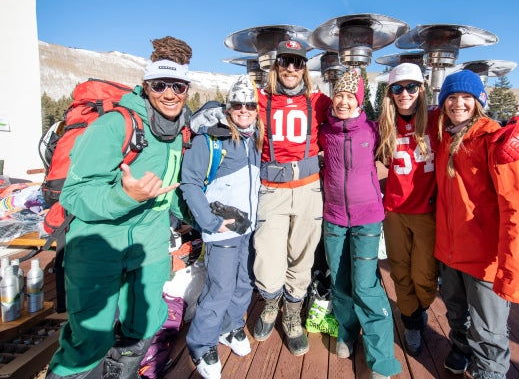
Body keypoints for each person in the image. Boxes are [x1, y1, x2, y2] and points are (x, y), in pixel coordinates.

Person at [46, 36, 193, 379]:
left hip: (150, 246)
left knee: (142, 326)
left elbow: (167, 193)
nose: (169, 94)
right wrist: (124, 198)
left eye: (178, 86)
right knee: (89, 340)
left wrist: (209, 214)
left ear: (187, 88)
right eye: (160, 85)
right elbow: (75, 193)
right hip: (100, 245)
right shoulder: (116, 124)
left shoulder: (176, 132)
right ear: (146, 86)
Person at [434, 70, 519, 379]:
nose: (458, 103)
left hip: (484, 256)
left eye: (467, 97)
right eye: (451, 97)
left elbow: (517, 207)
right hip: (449, 251)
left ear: (479, 101)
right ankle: (461, 350)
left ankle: (489, 373)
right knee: (456, 313)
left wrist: (513, 268)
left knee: (488, 330)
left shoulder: (495, 139)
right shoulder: (445, 136)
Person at [320, 69, 402, 379]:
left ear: (359, 101)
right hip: (334, 217)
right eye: (338, 95)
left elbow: (405, 139)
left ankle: (382, 359)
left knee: (366, 286)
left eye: (349, 96)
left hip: (367, 218)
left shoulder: (372, 130)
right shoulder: (324, 132)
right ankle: (347, 331)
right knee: (340, 282)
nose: (343, 101)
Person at [180, 75, 262, 379]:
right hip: (222, 230)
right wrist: (210, 221)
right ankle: (201, 343)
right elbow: (189, 182)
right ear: (229, 107)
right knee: (220, 288)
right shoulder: (211, 139)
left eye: (249, 104)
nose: (244, 109)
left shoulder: (255, 138)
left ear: (256, 108)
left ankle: (231, 327)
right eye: (237, 104)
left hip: (247, 229)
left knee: (243, 284)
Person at [252, 40, 330, 355]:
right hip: (272, 189)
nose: (291, 68)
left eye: (298, 62)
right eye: (285, 61)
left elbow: (348, 107)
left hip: (309, 189)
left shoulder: (318, 101)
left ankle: (293, 313)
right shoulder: (260, 100)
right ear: (276, 65)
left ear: (305, 68)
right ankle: (271, 304)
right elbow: (230, 113)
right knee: (267, 256)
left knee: (303, 256)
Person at [376, 63, 440, 356]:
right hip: (394, 213)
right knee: (400, 272)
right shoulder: (384, 125)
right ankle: (411, 321)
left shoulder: (436, 120)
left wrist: (514, 127)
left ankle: (422, 306)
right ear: (390, 93)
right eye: (398, 88)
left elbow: (475, 124)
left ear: (421, 90)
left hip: (426, 213)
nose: (405, 94)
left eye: (411, 87)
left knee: (425, 276)